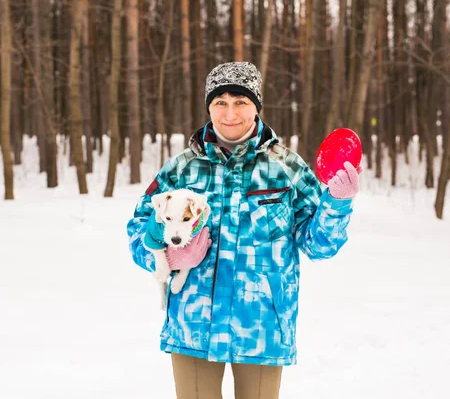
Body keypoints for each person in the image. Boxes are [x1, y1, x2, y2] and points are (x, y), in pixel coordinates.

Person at [127, 61, 360, 399]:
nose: (230, 113)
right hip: (193, 324)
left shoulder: (287, 168)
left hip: (262, 324)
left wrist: (337, 203)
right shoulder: (181, 168)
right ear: (209, 107)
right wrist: (169, 255)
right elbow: (138, 230)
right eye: (220, 102)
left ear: (257, 106)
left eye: (241, 102)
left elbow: (318, 244)